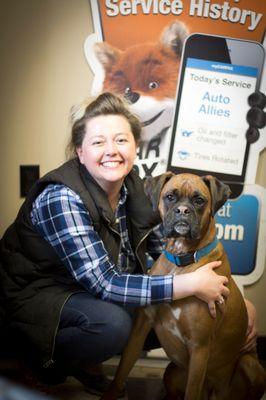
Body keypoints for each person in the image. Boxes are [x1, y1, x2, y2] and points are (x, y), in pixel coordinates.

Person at [0, 92, 257, 396]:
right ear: (80, 152)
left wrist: (234, 304)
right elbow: (106, 284)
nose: (112, 150)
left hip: (81, 293)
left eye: (121, 140)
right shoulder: (62, 197)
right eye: (98, 142)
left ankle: (84, 360)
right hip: (33, 295)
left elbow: (168, 247)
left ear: (136, 147)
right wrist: (191, 286)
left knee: (149, 311)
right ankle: (35, 360)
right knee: (115, 325)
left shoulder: (133, 186)